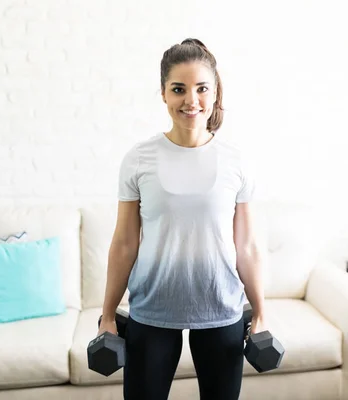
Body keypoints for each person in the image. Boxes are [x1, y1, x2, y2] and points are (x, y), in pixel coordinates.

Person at [97, 38, 267, 400]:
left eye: (201, 89)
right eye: (179, 89)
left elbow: (247, 246)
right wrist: (108, 313)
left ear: (214, 91)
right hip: (152, 308)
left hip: (220, 308)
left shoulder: (236, 161)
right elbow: (124, 243)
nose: (191, 101)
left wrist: (262, 312)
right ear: (163, 94)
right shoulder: (139, 159)